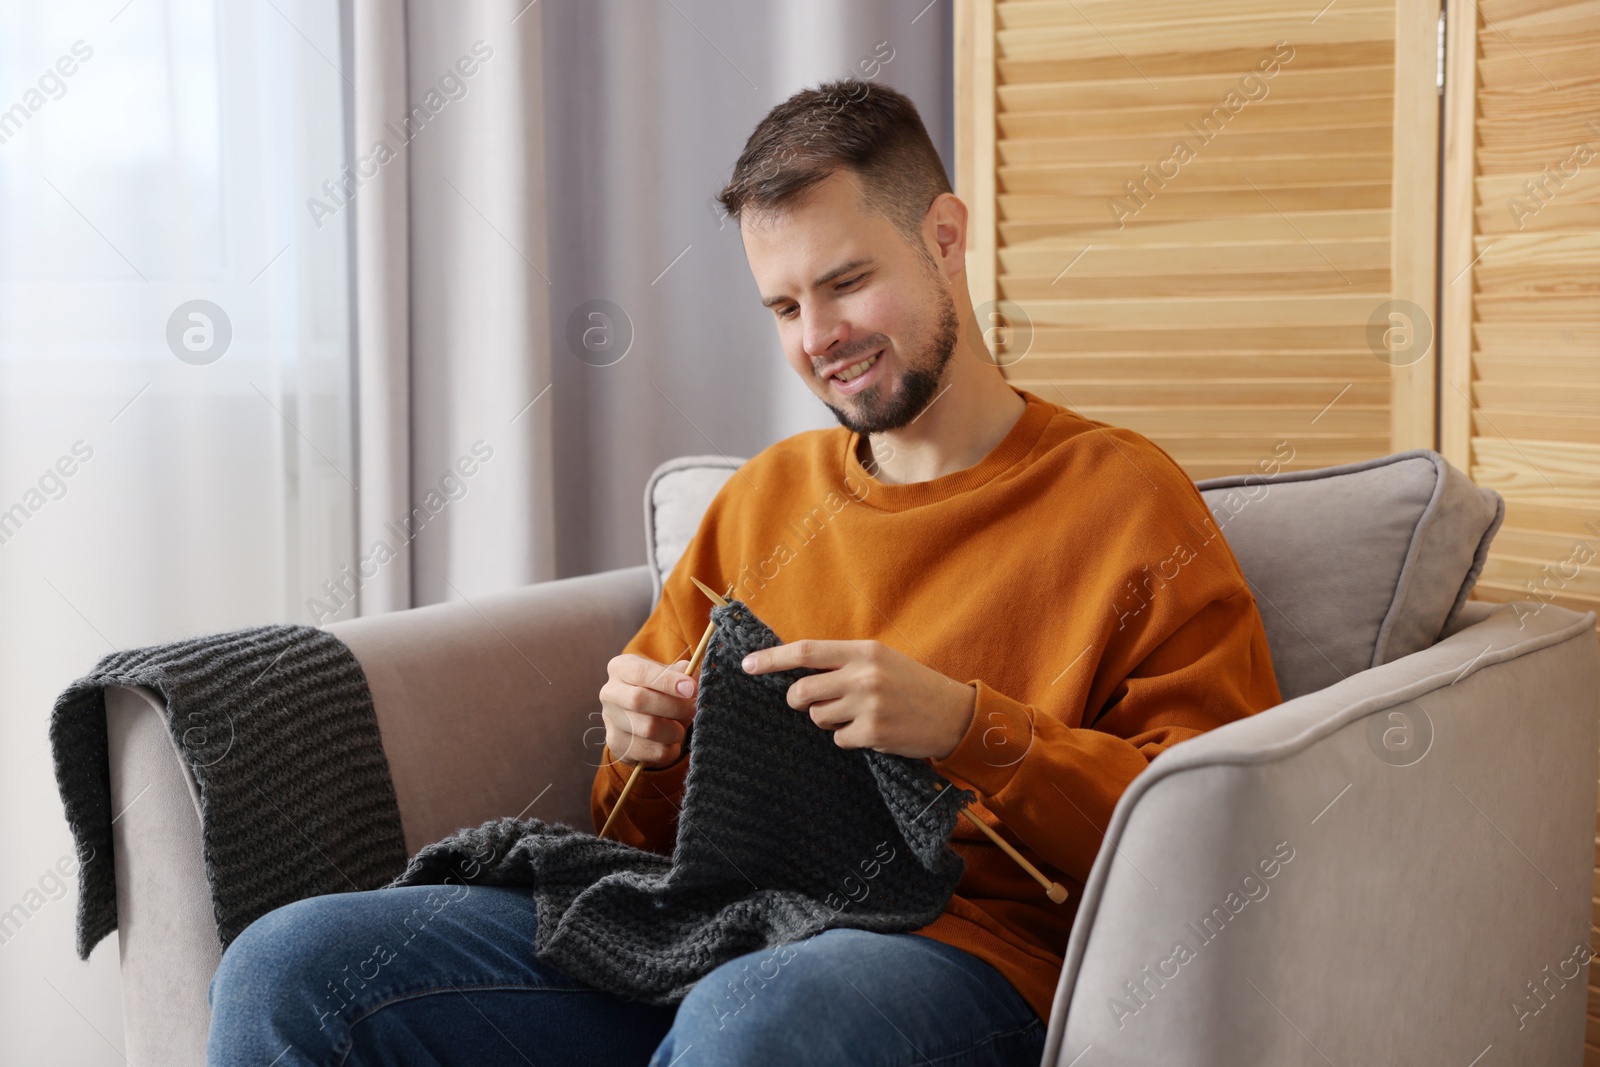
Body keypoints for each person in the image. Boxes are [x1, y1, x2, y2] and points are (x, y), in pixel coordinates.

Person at [207, 77, 1282, 1067]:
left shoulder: (1123, 499)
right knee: (290, 960)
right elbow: (634, 833)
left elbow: (1216, 835)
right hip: (707, 924)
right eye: (781, 307)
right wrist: (641, 745)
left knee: (753, 1016)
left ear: (944, 238)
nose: (819, 338)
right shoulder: (766, 497)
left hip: (962, 958)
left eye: (848, 282)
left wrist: (966, 724)